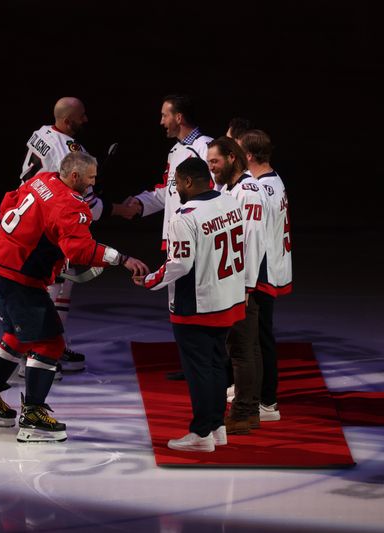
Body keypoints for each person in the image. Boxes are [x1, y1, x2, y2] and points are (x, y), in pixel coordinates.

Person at [0, 152, 149, 442]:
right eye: (91, 178)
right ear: (76, 176)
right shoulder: (70, 204)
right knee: (51, 343)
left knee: (16, 337)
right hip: (20, 279)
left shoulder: (42, 180)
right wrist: (121, 258)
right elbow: (80, 251)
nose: (94, 184)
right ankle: (33, 417)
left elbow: (8, 205)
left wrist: (24, 243)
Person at [133, 158, 246, 452]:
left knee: (198, 370)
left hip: (197, 303)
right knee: (216, 363)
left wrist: (149, 280)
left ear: (185, 182)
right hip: (227, 297)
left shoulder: (184, 215)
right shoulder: (231, 202)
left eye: (177, 184)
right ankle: (217, 427)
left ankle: (201, 433)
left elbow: (179, 263)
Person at [19, 97, 125, 372]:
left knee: (53, 286)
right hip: (49, 224)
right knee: (53, 287)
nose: (85, 120)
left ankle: (47, 349)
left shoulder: (41, 132)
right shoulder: (70, 150)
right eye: (82, 116)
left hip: (31, 213)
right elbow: (89, 205)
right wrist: (118, 209)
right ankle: (39, 354)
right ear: (68, 121)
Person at [118, 94, 214, 381]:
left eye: (164, 115)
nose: (161, 121)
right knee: (180, 304)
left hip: (198, 238)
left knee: (199, 303)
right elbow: (166, 192)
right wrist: (138, 203)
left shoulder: (205, 147)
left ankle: (206, 365)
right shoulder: (176, 152)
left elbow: (217, 191)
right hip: (176, 237)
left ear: (179, 117)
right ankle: (193, 363)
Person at [206, 137, 268, 434]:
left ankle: (244, 412)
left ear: (232, 157)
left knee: (242, 349)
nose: (212, 168)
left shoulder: (249, 191)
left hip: (240, 283)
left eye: (215, 162)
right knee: (242, 347)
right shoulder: (229, 188)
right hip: (230, 280)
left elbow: (254, 241)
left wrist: (245, 287)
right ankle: (248, 409)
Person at [238, 129, 293, 422]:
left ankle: (268, 401)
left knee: (260, 337)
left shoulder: (264, 190)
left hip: (264, 269)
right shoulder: (272, 181)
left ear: (248, 155)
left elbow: (256, 236)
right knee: (258, 336)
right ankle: (259, 393)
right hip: (271, 265)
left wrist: (247, 279)